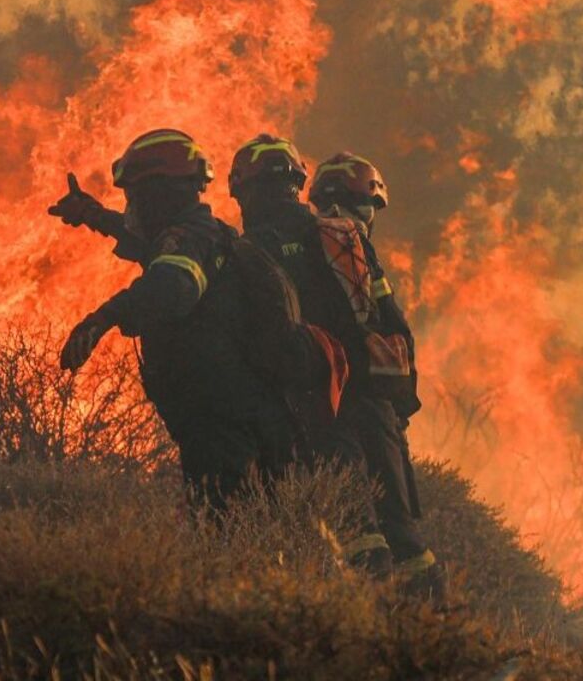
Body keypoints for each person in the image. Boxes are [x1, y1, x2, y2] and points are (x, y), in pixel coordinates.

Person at [230, 137, 444, 602]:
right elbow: (395, 330)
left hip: (316, 404)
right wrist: (399, 406)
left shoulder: (247, 252)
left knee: (355, 529)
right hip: (375, 401)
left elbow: (250, 344)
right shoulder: (344, 239)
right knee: (402, 532)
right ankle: (442, 639)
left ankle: (378, 637)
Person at [54, 128, 291, 509]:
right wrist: (93, 215)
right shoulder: (202, 233)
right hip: (236, 414)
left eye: (135, 197)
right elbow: (150, 246)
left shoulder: (189, 239)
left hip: (221, 421)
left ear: (158, 195)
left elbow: (169, 287)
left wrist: (103, 317)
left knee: (225, 530)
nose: (132, 207)